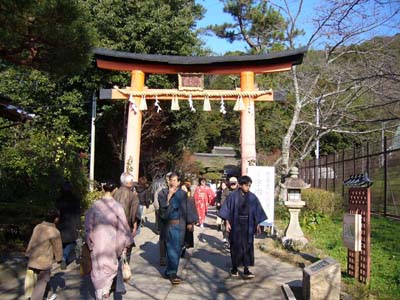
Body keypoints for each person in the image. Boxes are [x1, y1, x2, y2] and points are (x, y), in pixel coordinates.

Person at [85, 181, 134, 300]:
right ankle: (105, 293)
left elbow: (88, 225)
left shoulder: (95, 205)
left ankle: (100, 294)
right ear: (114, 190)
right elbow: (123, 227)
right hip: (111, 244)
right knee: (109, 271)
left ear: (103, 189)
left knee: (98, 271)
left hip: (97, 244)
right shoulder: (117, 207)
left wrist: (89, 240)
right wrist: (124, 244)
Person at [218, 175, 267, 279]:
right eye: (246, 185)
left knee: (247, 246)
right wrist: (227, 222)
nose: (248, 187)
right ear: (241, 185)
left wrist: (257, 224)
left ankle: (246, 269)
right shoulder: (232, 196)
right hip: (235, 223)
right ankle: (234, 268)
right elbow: (227, 209)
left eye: (249, 185)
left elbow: (256, 211)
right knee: (235, 245)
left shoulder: (252, 197)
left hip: (248, 224)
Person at [159, 172, 198, 284]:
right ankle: (172, 273)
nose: (173, 182)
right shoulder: (163, 193)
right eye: (171, 180)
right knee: (172, 248)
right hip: (169, 225)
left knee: (178, 248)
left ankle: (168, 271)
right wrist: (169, 196)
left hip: (181, 224)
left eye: (175, 180)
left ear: (179, 182)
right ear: (168, 181)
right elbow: (162, 211)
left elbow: (188, 207)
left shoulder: (183, 194)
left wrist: (190, 222)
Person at [25, 208, 63, 300]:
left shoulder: (38, 227)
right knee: (42, 281)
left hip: (33, 258)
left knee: (33, 279)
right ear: (56, 219)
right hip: (44, 261)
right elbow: (58, 247)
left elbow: (32, 241)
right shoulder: (54, 231)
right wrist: (59, 259)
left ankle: (44, 296)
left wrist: (28, 253)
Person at [113, 172, 140, 263]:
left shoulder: (114, 193)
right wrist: (135, 227)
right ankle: (124, 271)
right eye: (131, 181)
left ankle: (115, 273)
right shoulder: (133, 196)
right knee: (126, 252)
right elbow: (134, 215)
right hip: (126, 227)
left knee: (114, 251)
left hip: (113, 227)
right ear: (128, 183)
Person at [55, 182, 80, 270]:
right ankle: (64, 258)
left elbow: (56, 213)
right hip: (72, 224)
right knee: (71, 242)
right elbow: (77, 214)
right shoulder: (75, 200)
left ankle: (62, 257)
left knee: (61, 242)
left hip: (61, 224)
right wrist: (78, 226)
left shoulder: (59, 200)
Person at [157, 172, 172, 266]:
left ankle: (170, 256)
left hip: (175, 219)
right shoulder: (162, 192)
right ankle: (163, 257)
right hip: (164, 218)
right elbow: (162, 205)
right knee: (163, 238)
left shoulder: (180, 192)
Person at [180, 182, 198, 258]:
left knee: (185, 238)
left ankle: (183, 249)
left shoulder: (190, 199)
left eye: (184, 189)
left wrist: (191, 222)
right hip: (179, 221)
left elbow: (193, 210)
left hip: (187, 221)